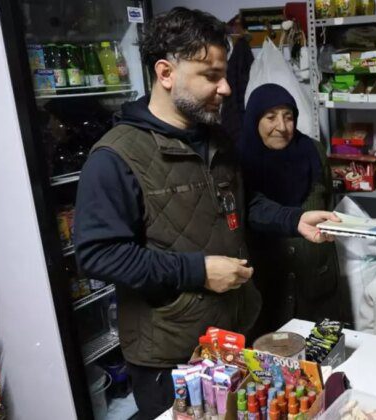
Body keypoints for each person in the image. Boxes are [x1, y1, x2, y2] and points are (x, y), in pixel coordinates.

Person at [73, 8, 337, 419]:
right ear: (166, 73)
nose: (227, 88)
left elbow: (241, 205)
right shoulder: (115, 157)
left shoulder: (216, 139)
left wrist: (294, 220)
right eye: (211, 76)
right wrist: (198, 271)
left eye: (224, 73)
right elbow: (99, 254)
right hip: (172, 358)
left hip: (234, 336)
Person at [239, 83, 352, 335]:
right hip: (265, 286)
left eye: (288, 117)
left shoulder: (313, 152)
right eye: (270, 117)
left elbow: (327, 201)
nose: (282, 126)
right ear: (254, 119)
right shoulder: (239, 160)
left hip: (316, 283)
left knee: (322, 356)